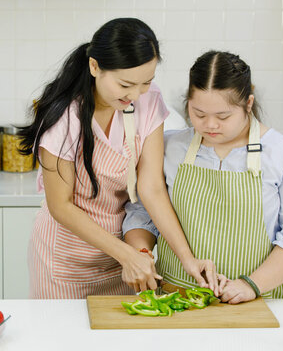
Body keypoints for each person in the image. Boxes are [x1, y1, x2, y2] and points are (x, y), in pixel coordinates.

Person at [18, 18, 217, 299]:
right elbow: (59, 206)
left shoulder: (149, 101)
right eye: (125, 84)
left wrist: (187, 258)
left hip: (120, 257)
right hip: (65, 260)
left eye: (146, 82)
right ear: (94, 67)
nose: (135, 95)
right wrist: (127, 255)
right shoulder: (65, 116)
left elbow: (152, 188)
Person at [123, 50, 283, 304]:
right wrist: (140, 253)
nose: (210, 125)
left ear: (248, 104)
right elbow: (142, 211)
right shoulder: (169, 146)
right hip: (177, 300)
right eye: (198, 114)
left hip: (262, 301)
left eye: (223, 116)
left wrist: (252, 285)